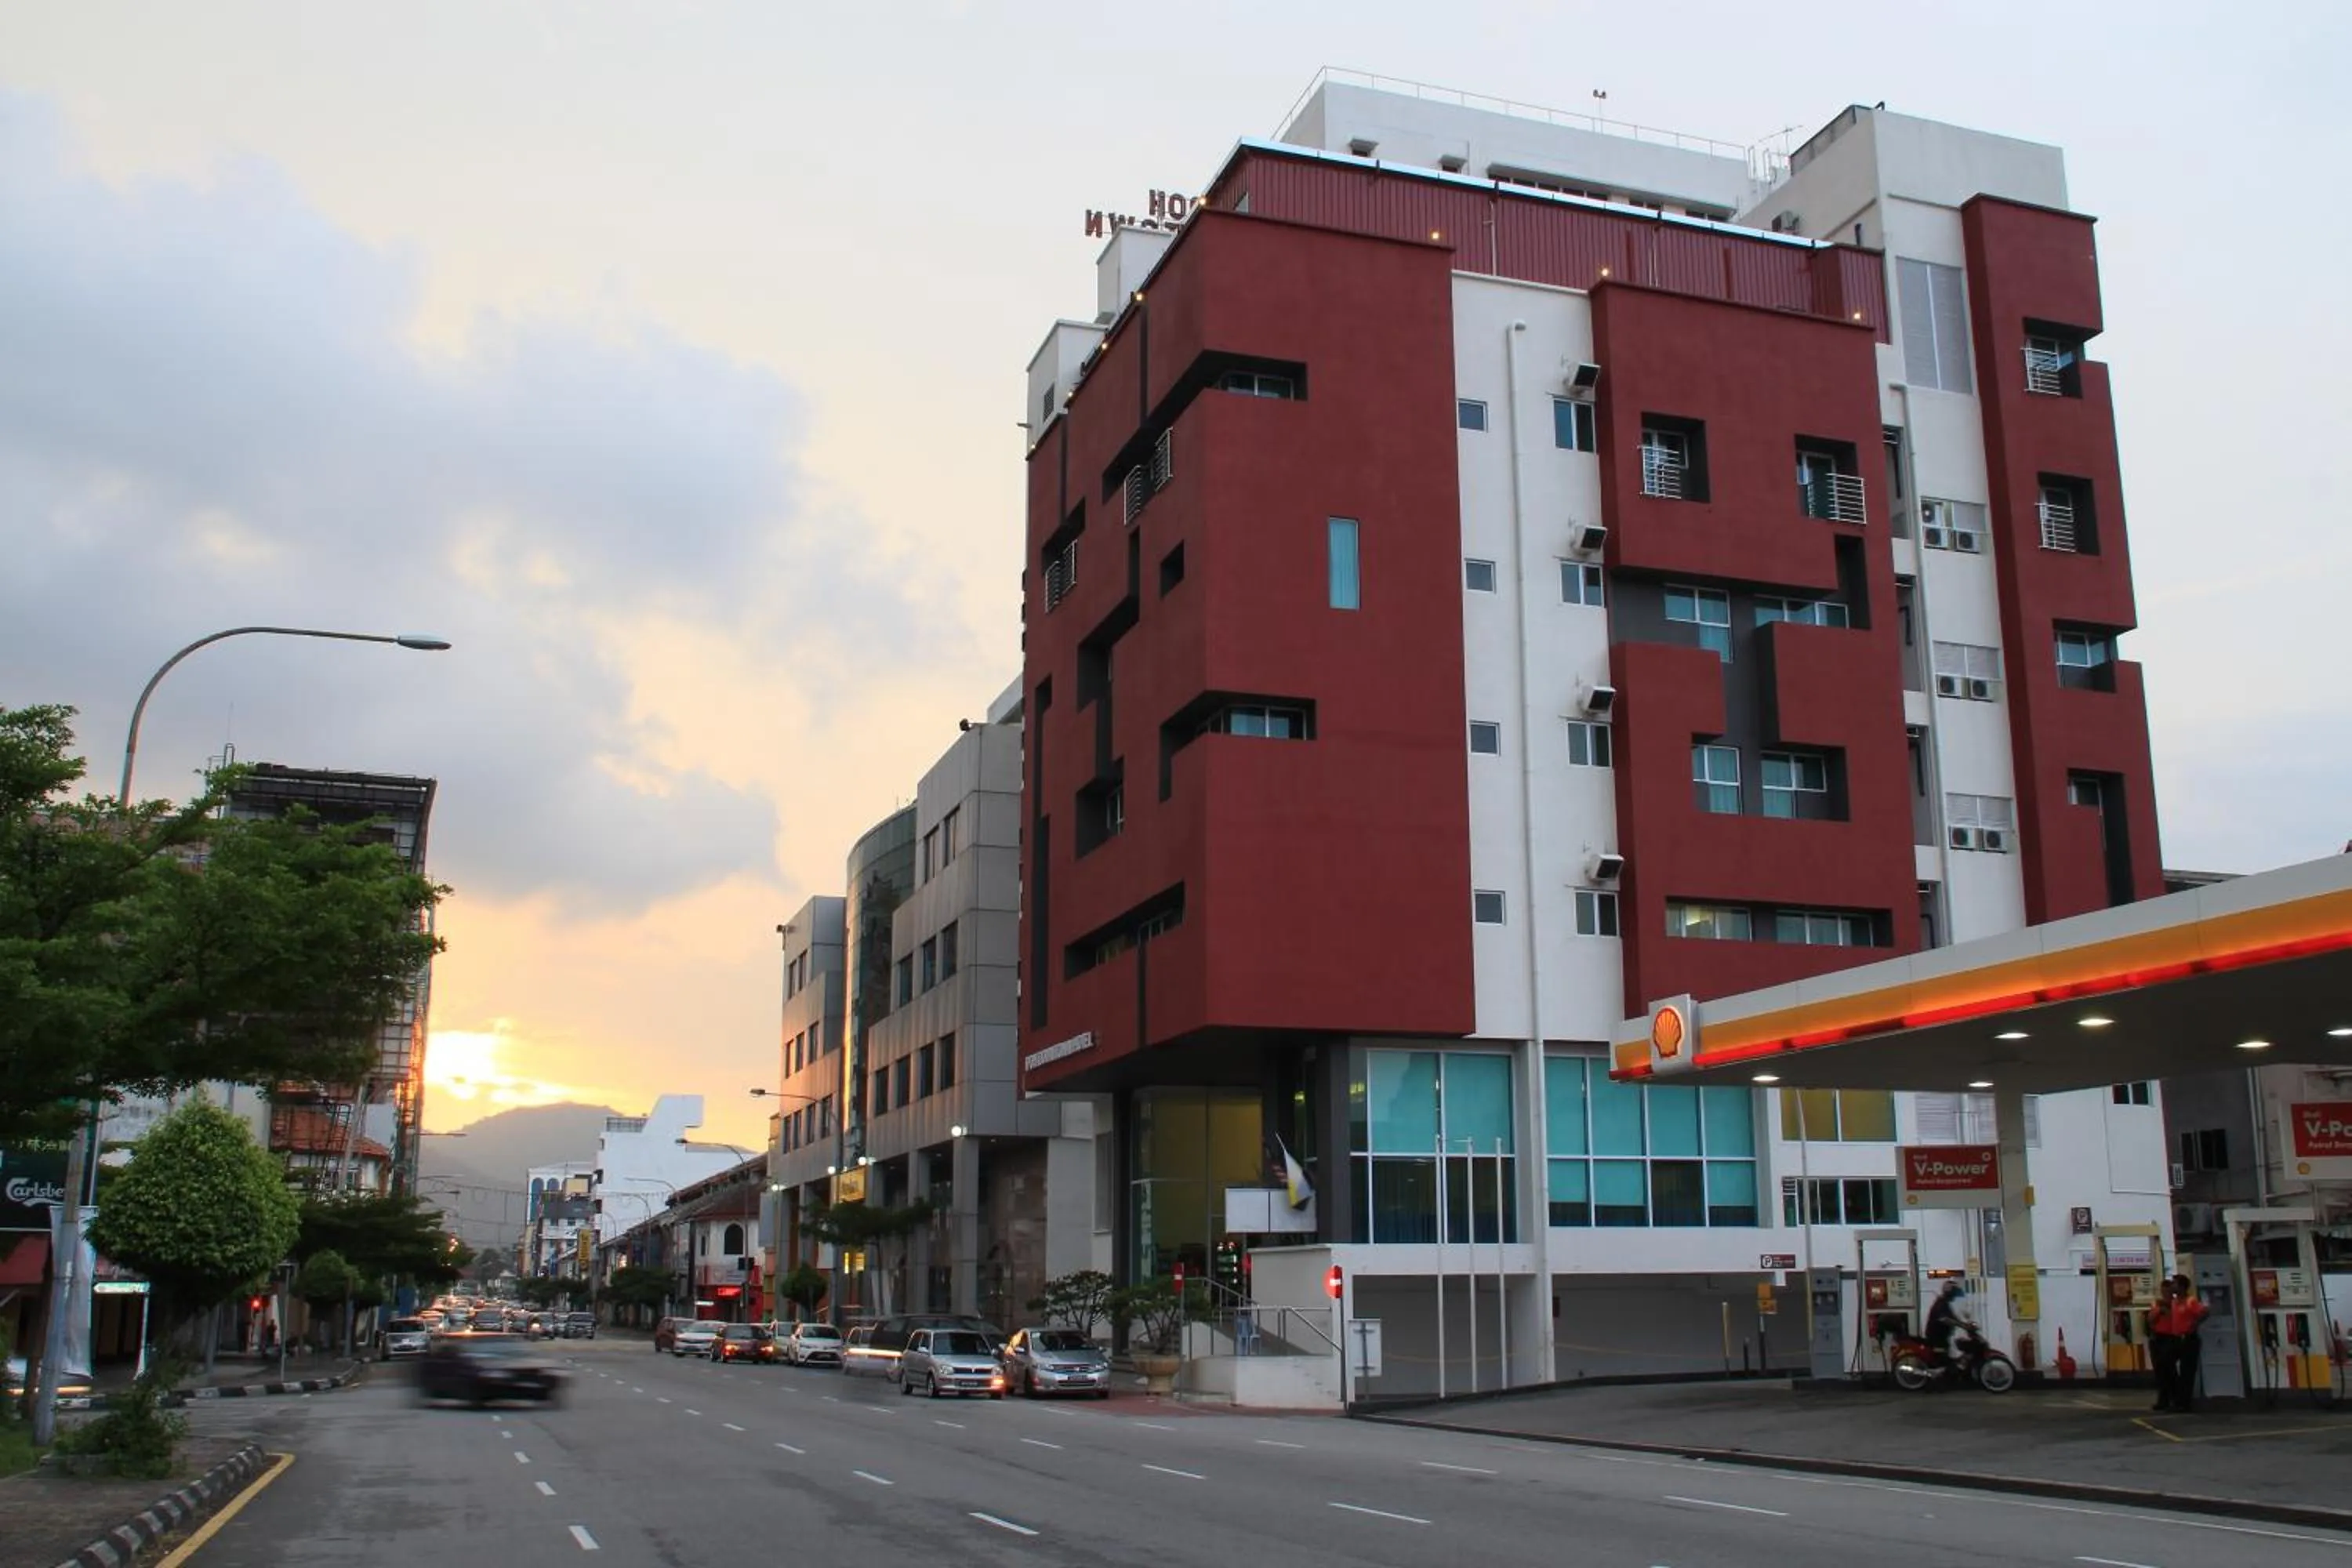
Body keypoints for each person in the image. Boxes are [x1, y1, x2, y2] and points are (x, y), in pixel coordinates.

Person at [2151, 1274, 2210, 1413]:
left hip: (2189, 1339)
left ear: (2182, 1287)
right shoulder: (2175, 1302)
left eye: (2175, 1284)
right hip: (2177, 1339)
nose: (2172, 1286)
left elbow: (2204, 1312)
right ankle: (2174, 1398)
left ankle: (2184, 1404)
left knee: (2187, 1372)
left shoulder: (2190, 1301)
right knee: (2165, 1364)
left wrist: (2195, 1324)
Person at [1924, 1279, 1966, 1368]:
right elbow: (1945, 1319)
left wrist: (1964, 1324)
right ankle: (1940, 1370)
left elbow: (1953, 1317)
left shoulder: (1945, 1303)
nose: (1955, 1296)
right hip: (1937, 1337)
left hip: (1943, 1336)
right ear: (1949, 1292)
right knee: (1943, 1357)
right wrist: (1961, 1325)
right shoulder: (1941, 1304)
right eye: (1954, 1292)